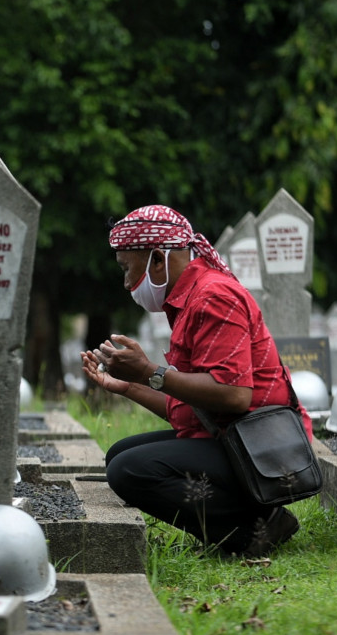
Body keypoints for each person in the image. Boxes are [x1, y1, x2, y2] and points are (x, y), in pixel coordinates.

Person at [80, 205, 313, 557]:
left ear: (158, 259)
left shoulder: (213, 297)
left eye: (127, 269)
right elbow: (189, 412)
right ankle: (254, 519)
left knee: (129, 471)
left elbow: (234, 397)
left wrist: (148, 371)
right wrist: (129, 386)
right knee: (119, 455)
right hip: (237, 436)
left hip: (269, 450)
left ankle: (257, 528)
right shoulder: (190, 299)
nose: (127, 282)